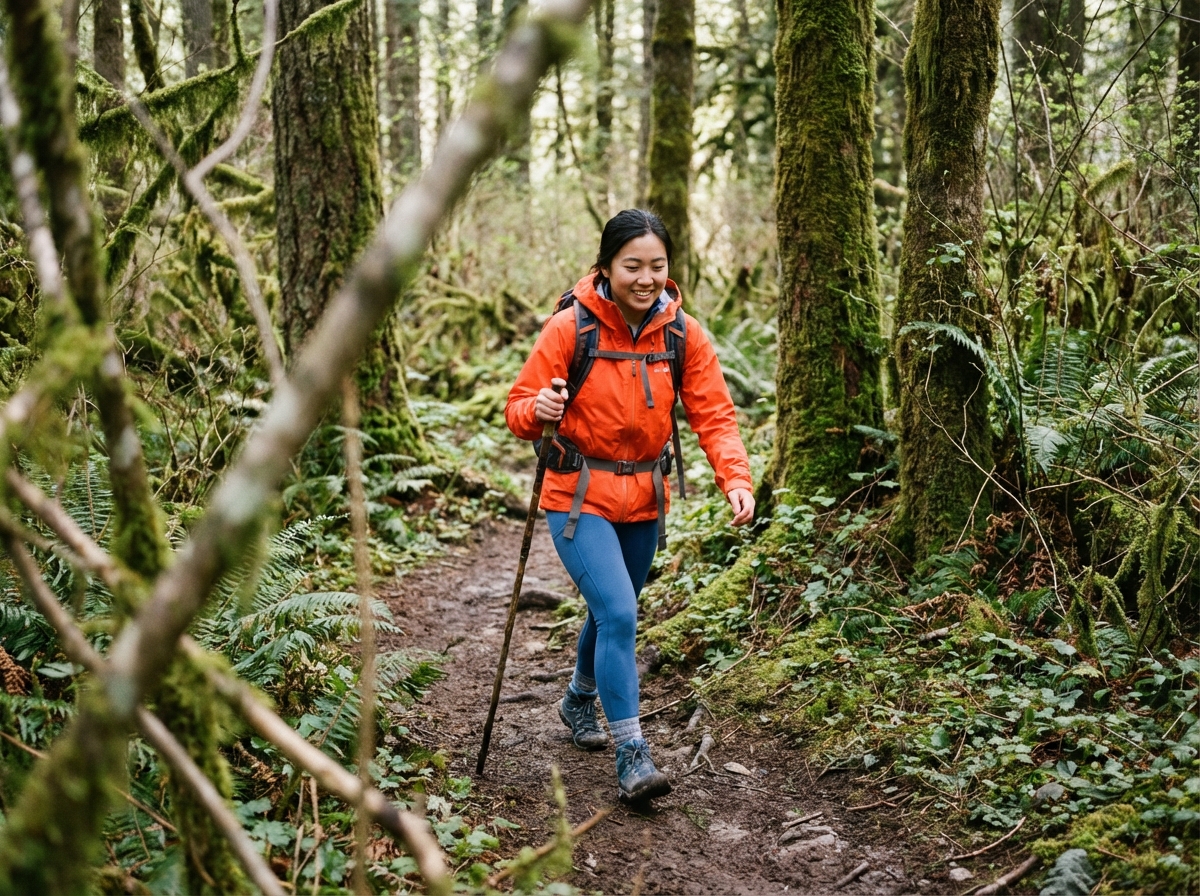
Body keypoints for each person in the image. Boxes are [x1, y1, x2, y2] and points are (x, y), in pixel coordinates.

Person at [505, 209, 754, 802]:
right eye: (632, 266)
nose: (646, 279)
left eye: (657, 266)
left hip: (644, 499)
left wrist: (735, 479)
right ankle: (633, 754)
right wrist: (538, 409)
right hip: (577, 497)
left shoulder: (682, 334)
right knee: (619, 613)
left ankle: (578, 699)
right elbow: (518, 408)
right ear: (606, 267)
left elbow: (715, 415)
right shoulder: (570, 329)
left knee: (610, 611)